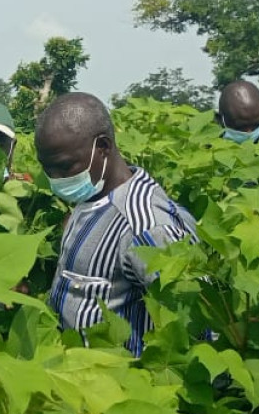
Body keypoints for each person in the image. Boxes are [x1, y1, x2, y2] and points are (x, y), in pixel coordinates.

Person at [36, 93, 197, 357]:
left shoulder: (144, 224)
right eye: (47, 168)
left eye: (64, 167)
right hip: (75, 379)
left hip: (119, 386)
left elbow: (191, 320)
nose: (55, 179)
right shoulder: (91, 196)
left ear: (103, 147)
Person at [217, 80, 259, 145]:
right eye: (240, 127)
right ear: (220, 119)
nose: (249, 132)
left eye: (256, 125)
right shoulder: (207, 149)